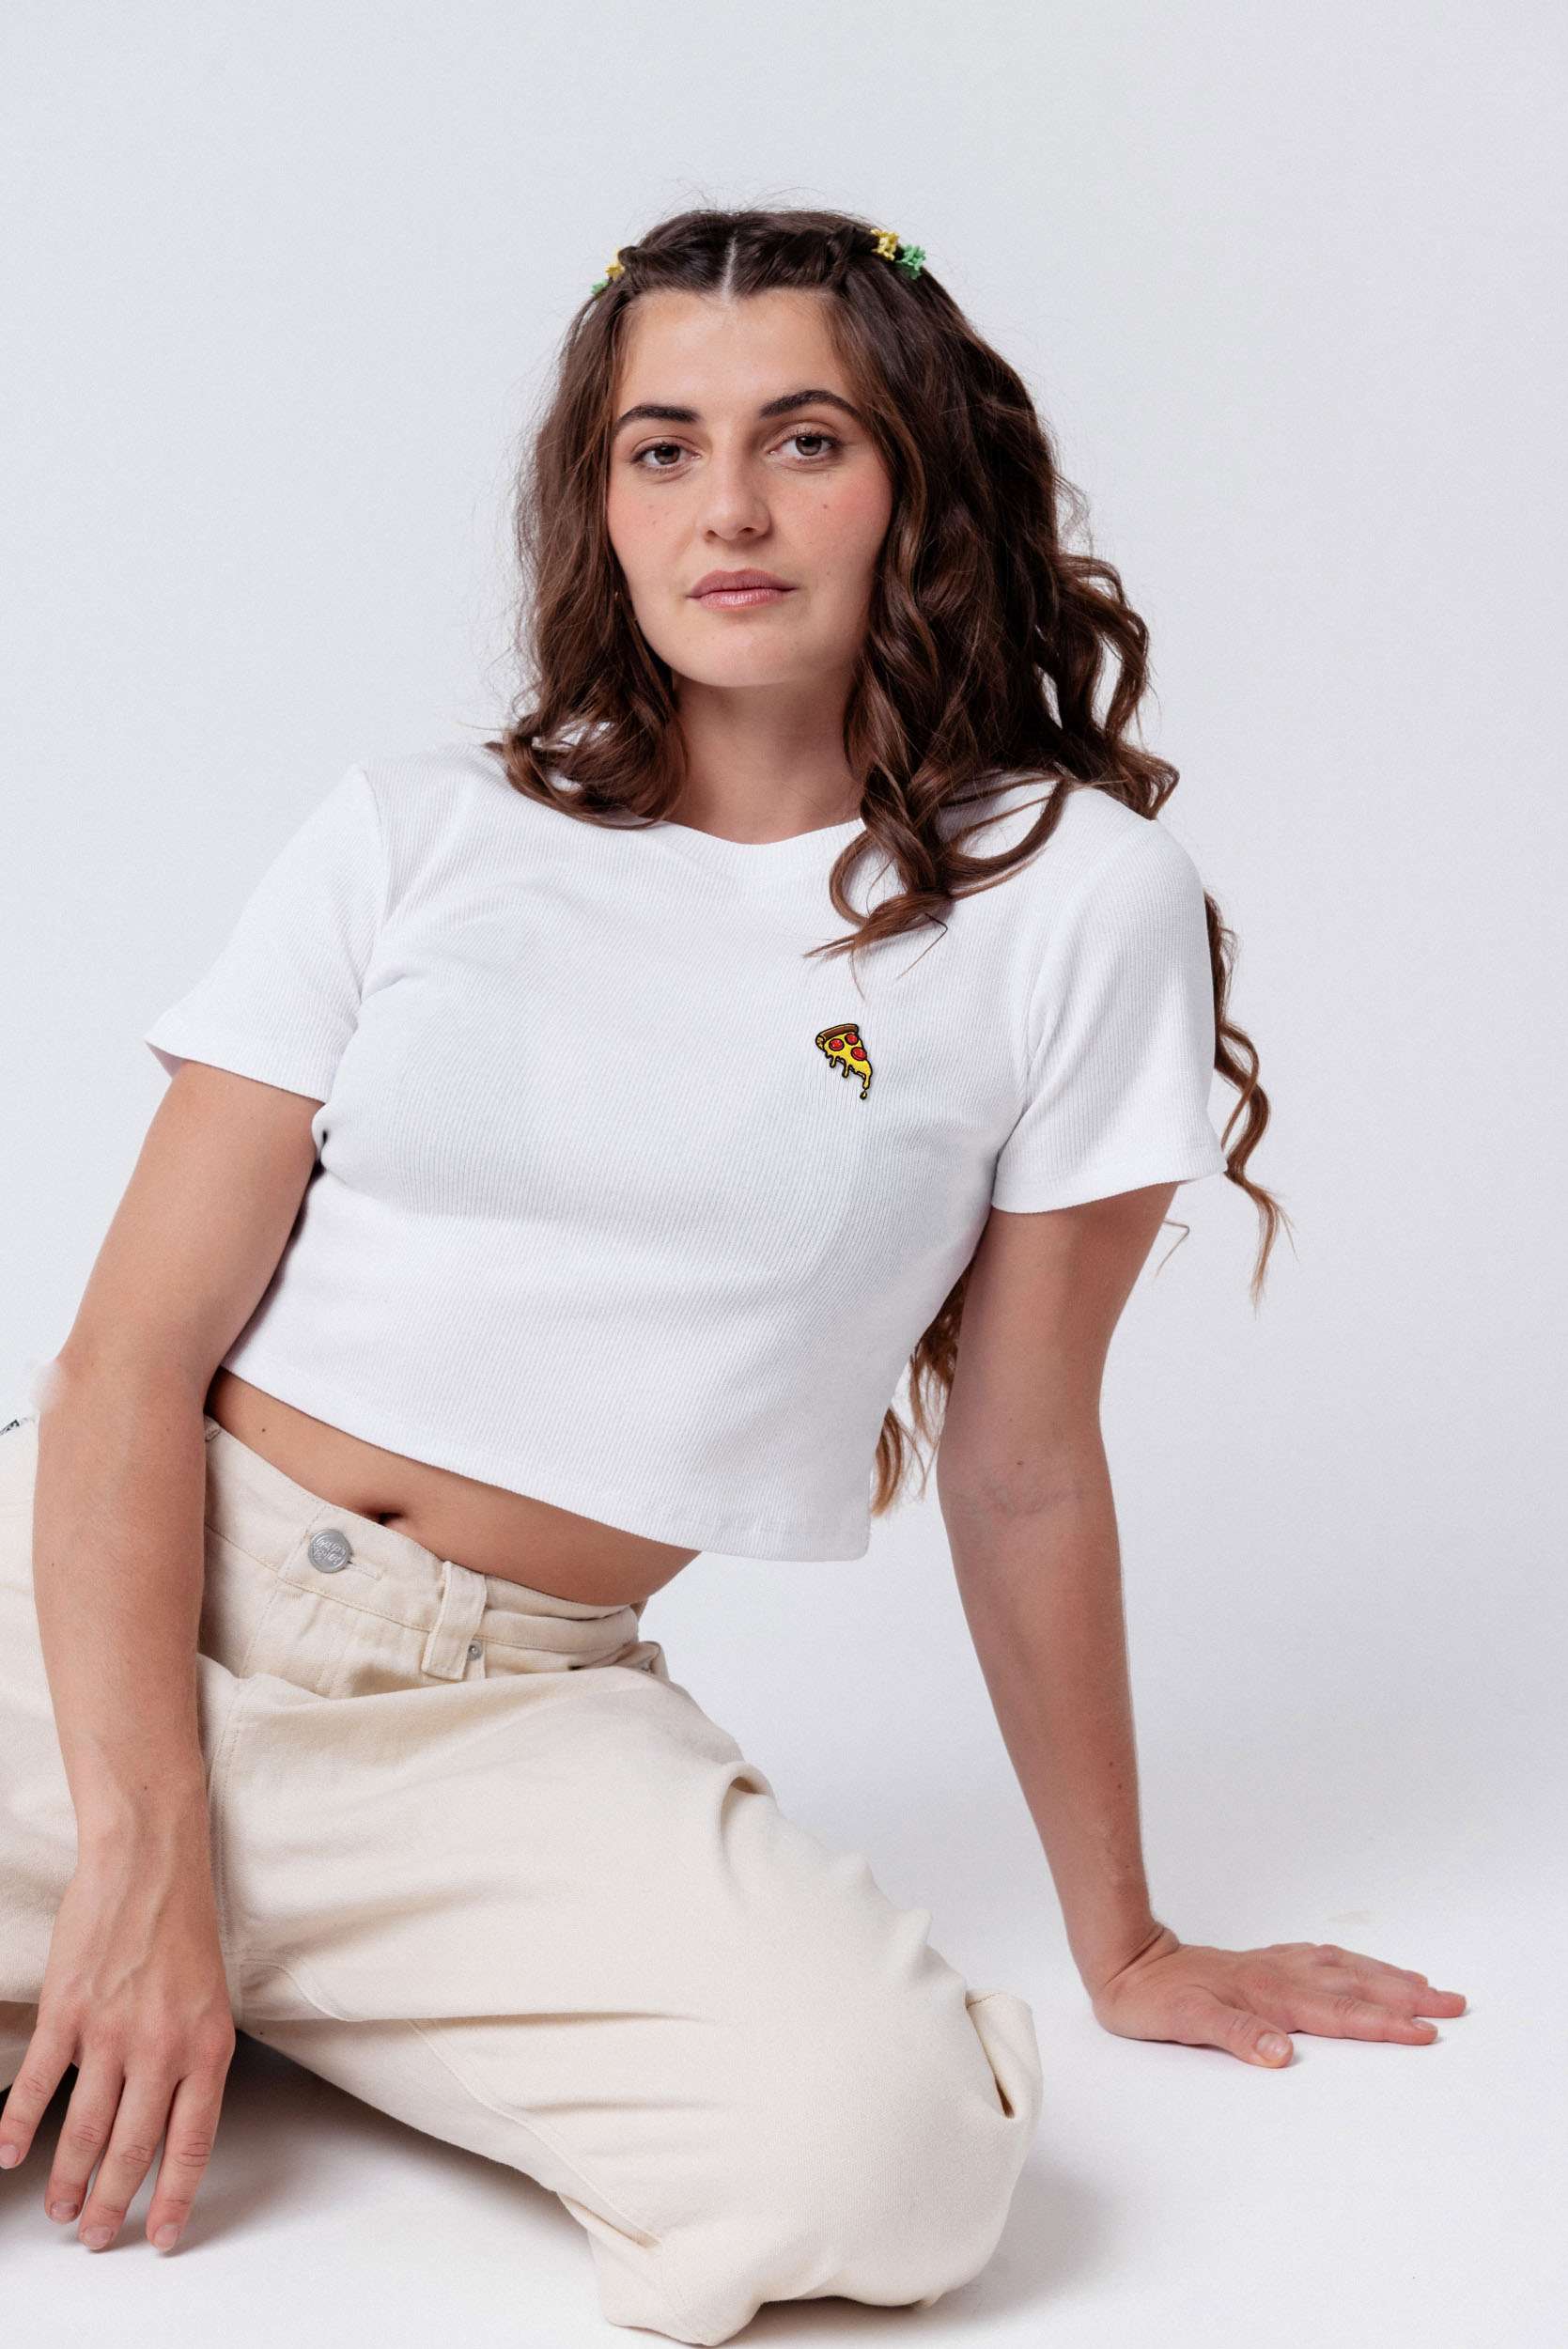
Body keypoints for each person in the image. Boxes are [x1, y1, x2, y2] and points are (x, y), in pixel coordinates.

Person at [0, 206, 1465, 2344]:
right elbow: (129, 1363)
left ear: (919, 484)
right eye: (661, 448)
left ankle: (215, 1956)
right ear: (599, 505)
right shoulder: (420, 829)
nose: (731, 510)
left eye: (806, 438)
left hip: (502, 1716)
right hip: (111, 1610)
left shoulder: (1074, 901)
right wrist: (147, 1843)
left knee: (884, 2161)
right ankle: (152, 1920)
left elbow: (1023, 1462)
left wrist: (1127, 1939)